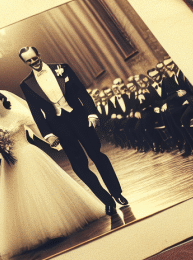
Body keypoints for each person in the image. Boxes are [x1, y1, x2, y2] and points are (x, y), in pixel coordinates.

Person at [0, 90, 105, 257]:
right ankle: (33, 232)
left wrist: (52, 139)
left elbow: (38, 131)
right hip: (10, 164)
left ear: (2, 99)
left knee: (41, 189)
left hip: (28, 154)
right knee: (21, 197)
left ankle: (55, 225)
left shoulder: (18, 114)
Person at [18, 47, 127, 215]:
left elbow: (82, 93)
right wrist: (48, 134)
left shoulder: (63, 68)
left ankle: (117, 193)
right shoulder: (26, 84)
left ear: (39, 54)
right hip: (58, 126)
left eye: (34, 58)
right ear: (25, 62)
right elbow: (35, 112)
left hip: (79, 118)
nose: (33, 62)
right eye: (29, 61)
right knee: (79, 167)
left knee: (97, 155)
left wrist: (91, 113)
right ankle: (107, 200)